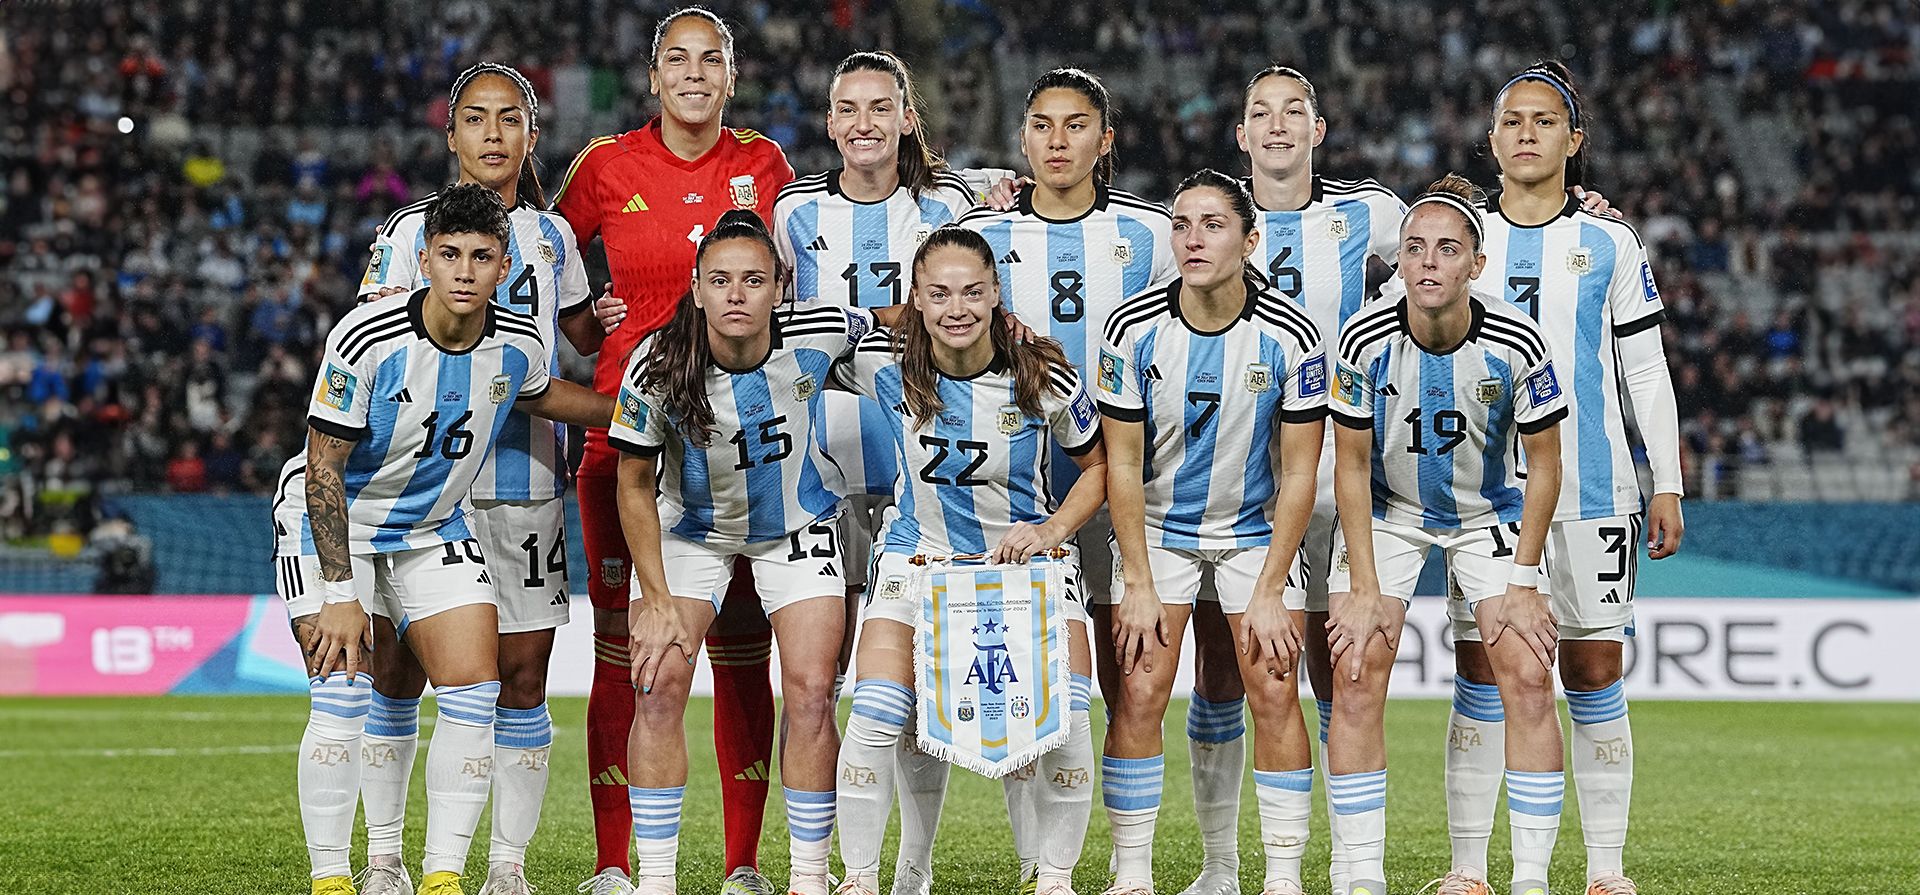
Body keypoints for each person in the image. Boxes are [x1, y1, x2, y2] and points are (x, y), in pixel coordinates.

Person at [294, 183, 613, 895]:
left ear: (504, 267)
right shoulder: (364, 337)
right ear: (425, 260)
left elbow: (545, 394)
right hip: (333, 523)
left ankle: (441, 875)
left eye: (481, 255)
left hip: (431, 525)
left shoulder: (516, 342)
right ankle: (338, 877)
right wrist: (342, 592)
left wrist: (631, 414)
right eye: (449, 254)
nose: (465, 270)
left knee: (475, 689)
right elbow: (322, 466)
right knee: (346, 692)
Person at [1147, 66, 1408, 895]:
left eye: (1295, 110)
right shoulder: (1198, 222)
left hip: (1340, 478)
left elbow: (1468, 232)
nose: (1278, 124)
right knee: (1228, 669)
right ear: (1241, 134)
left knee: (1342, 670)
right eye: (1261, 112)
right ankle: (1223, 866)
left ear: (1319, 129)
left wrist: (1582, 204)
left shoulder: (1368, 212)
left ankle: (1347, 865)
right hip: (1243, 490)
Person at [551, 10, 796, 894]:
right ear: (653, 78)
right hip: (626, 447)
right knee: (624, 649)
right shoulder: (606, 166)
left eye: (712, 60)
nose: (694, 74)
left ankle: (743, 864)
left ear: (732, 77)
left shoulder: (766, 165)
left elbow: (815, 262)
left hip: (749, 446)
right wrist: (588, 326)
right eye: (677, 61)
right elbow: (545, 259)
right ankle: (615, 865)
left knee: (744, 651)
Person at [1429, 62, 1684, 895]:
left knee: (1595, 672)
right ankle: (1470, 866)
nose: (1527, 133)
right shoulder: (1461, 237)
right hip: (1486, 500)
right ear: (1492, 139)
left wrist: (1667, 479)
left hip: (1596, 490)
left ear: (1574, 142)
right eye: (1513, 121)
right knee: (1481, 674)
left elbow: (1644, 368)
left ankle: (1605, 870)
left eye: (1545, 121)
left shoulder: (1609, 241)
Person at [354, 61, 605, 895]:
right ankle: (386, 857)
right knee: (398, 673)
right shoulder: (405, 233)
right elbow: (373, 345)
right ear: (450, 133)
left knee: (522, 677)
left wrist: (607, 322)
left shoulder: (552, 237)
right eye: (476, 119)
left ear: (532, 136)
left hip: (527, 482)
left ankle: (506, 867)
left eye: (510, 121)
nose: (493, 136)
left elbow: (574, 337)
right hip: (421, 495)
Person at [830, 226, 1108, 895]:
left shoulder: (1042, 374)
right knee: (875, 714)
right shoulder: (881, 362)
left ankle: (1054, 880)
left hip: (1022, 569)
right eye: (939, 293)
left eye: (972, 291)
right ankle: (868, 879)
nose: (957, 307)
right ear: (916, 302)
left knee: (1065, 724)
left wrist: (1050, 528)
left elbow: (1099, 468)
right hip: (918, 558)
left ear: (995, 296)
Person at [769, 50, 983, 895]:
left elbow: (962, 299)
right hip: (814, 473)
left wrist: (858, 317)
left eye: (879, 107)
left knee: (910, 686)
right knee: (820, 682)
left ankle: (911, 870)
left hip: (920, 481)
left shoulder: (946, 206)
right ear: (828, 122)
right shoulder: (794, 210)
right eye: (846, 107)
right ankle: (816, 867)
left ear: (904, 119)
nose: (862, 122)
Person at [607, 211, 870, 895]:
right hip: (692, 528)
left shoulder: (821, 330)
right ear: (695, 289)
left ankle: (808, 877)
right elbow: (632, 482)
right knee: (658, 680)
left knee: (813, 690)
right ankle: (657, 879)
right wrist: (658, 598)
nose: (735, 294)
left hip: (797, 525)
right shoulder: (657, 361)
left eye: (753, 279)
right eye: (719, 279)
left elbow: (904, 320)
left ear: (780, 286)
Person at [958, 69, 1174, 889]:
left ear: (1105, 140)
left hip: (1117, 485)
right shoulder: (983, 229)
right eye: (1042, 125)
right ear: (1022, 140)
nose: (1057, 141)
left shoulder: (1152, 234)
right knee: (1022, 679)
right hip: (1010, 492)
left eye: (1076, 125)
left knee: (1124, 681)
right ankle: (1035, 860)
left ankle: (1128, 862)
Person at [1323, 174, 1566, 895]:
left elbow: (1545, 468)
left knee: (1526, 671)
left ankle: (1529, 880)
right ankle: (1359, 878)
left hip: (1489, 511)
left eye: (1447, 249)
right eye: (1415, 248)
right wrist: (1364, 587)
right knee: (1357, 666)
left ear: (1476, 265)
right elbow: (1351, 462)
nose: (1428, 261)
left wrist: (1523, 583)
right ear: (1397, 259)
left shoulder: (1519, 340)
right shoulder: (1361, 337)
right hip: (1389, 509)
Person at [1095, 170, 1329, 895]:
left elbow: (1298, 473)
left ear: (1250, 239)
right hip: (1158, 531)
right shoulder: (1129, 327)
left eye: (1213, 224)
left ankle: (1277, 878)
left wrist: (1268, 588)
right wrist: (1134, 580)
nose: (1193, 239)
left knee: (1273, 685)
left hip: (1253, 530)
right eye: (1182, 224)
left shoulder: (1293, 334)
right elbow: (1122, 464)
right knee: (1139, 690)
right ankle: (1135, 874)